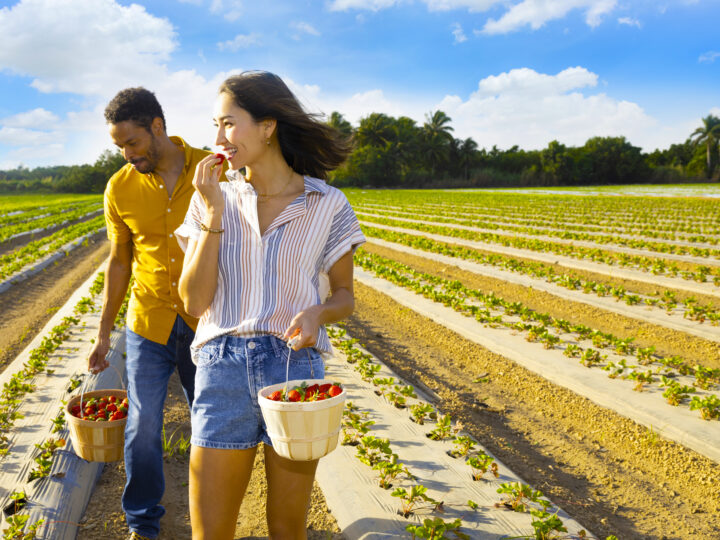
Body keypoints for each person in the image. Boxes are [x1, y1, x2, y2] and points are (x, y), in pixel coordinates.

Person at [175, 70, 365, 540]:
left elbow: (344, 295)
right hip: (222, 368)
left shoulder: (327, 203)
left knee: (287, 530)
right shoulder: (209, 200)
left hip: (294, 367)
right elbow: (195, 302)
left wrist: (317, 313)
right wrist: (215, 213)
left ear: (267, 126)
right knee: (210, 533)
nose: (218, 138)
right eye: (215, 125)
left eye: (228, 123)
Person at [88, 87, 224, 540]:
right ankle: (143, 524)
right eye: (118, 147)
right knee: (144, 422)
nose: (127, 155)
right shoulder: (119, 187)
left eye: (132, 142)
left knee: (209, 420)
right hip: (148, 322)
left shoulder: (214, 169)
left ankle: (212, 519)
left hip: (206, 321)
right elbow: (119, 261)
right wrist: (104, 332)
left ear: (157, 127)